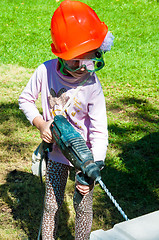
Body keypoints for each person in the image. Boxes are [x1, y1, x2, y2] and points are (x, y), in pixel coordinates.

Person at [19, 0, 114, 239]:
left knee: (83, 207)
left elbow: (100, 131)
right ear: (61, 53)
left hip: (86, 158)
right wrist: (40, 124)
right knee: (51, 204)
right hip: (57, 155)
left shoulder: (92, 85)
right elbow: (25, 100)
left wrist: (94, 166)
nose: (82, 66)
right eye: (75, 59)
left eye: (89, 58)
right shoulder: (45, 71)